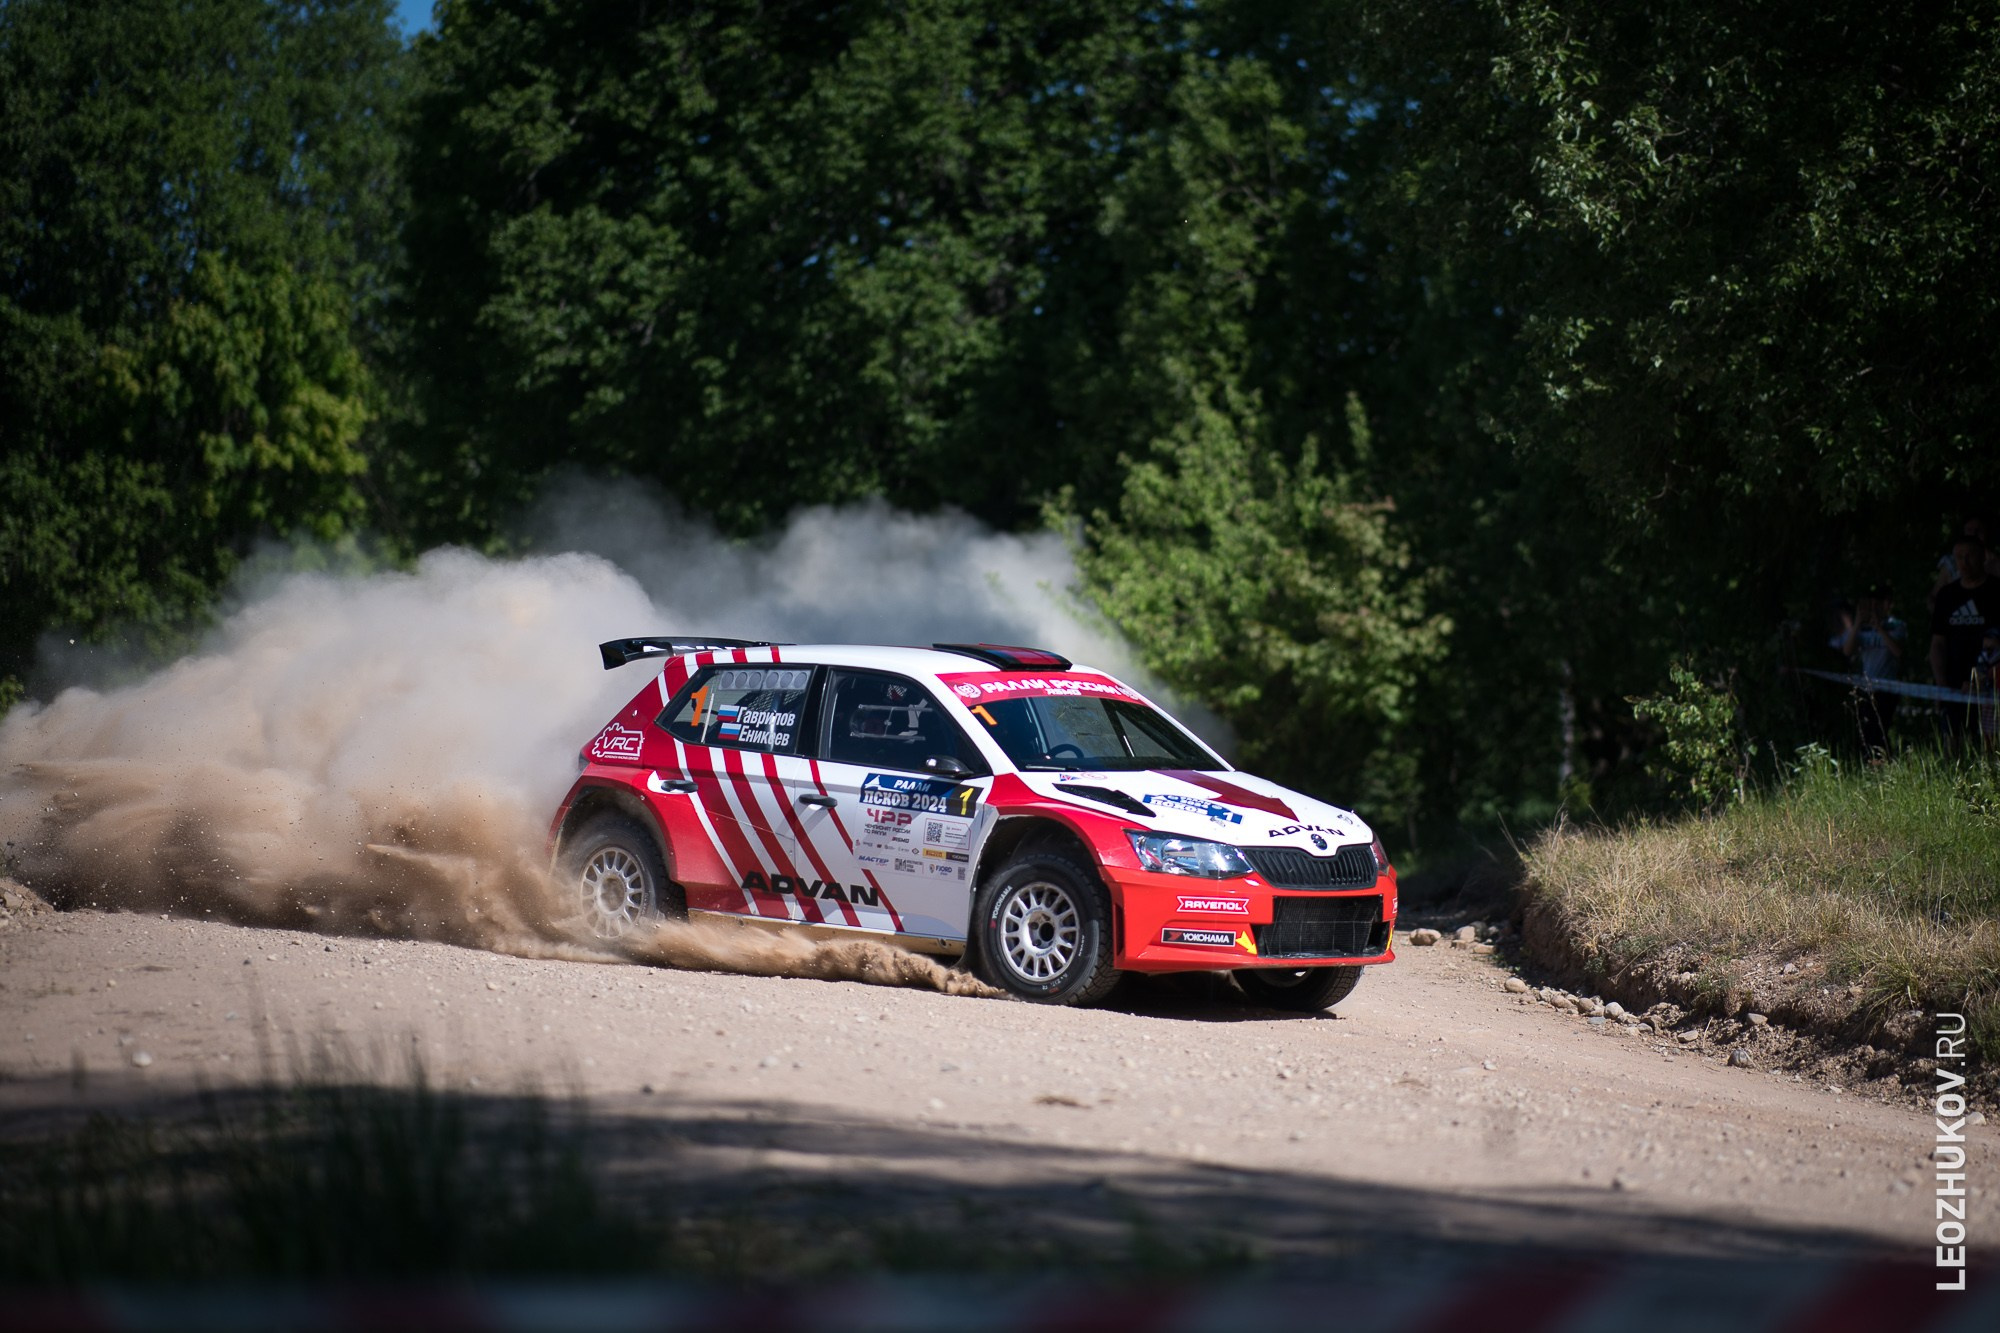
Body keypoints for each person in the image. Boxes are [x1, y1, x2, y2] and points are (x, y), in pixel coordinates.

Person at [1930, 529, 2000, 743]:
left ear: (1982, 557)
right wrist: (1941, 684)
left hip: (1991, 688)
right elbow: (1937, 643)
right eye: (1959, 557)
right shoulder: (1947, 595)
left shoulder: (1997, 591)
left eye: (1969, 556)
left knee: (1991, 750)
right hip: (1953, 687)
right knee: (1952, 744)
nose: (1964, 562)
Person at [1837, 583, 1905, 757]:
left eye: (1877, 604)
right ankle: (1873, 766)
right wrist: (1858, 623)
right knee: (1867, 732)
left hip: (1887, 689)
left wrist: (1879, 628)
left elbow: (1898, 652)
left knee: (1880, 731)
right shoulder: (1861, 629)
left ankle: (1884, 764)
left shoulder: (1896, 625)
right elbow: (1847, 650)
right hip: (1866, 688)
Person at [1929, 517, 2000, 610]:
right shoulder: (1951, 562)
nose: (1974, 534)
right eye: (1969, 530)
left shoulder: (1996, 562)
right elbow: (1933, 597)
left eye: (1979, 530)